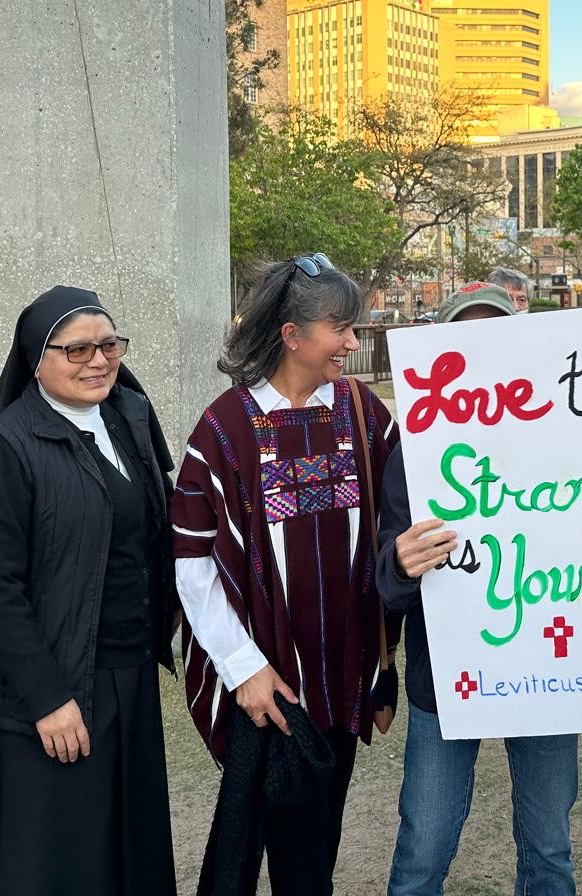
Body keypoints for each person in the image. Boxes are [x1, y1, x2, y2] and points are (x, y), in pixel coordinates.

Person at [172, 253, 398, 891]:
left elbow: (400, 526)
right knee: (286, 842)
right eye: (341, 328)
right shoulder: (224, 428)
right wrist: (243, 670)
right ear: (292, 335)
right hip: (269, 685)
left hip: (345, 673)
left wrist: (382, 667)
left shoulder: (363, 414)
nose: (353, 342)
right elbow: (193, 565)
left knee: (319, 837)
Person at [0, 286, 179, 894]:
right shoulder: (4, 450)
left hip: (127, 667)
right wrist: (48, 698)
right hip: (53, 679)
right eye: (76, 349)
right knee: (58, 854)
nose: (98, 360)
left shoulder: (129, 416)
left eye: (109, 344)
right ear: (36, 359)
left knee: (127, 838)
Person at [377, 282, 579, 896]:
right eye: (466, 335)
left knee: (549, 848)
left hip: (548, 669)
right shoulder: (413, 450)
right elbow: (387, 579)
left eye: (498, 334)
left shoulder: (567, 440)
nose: (483, 348)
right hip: (446, 677)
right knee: (423, 848)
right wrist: (401, 563)